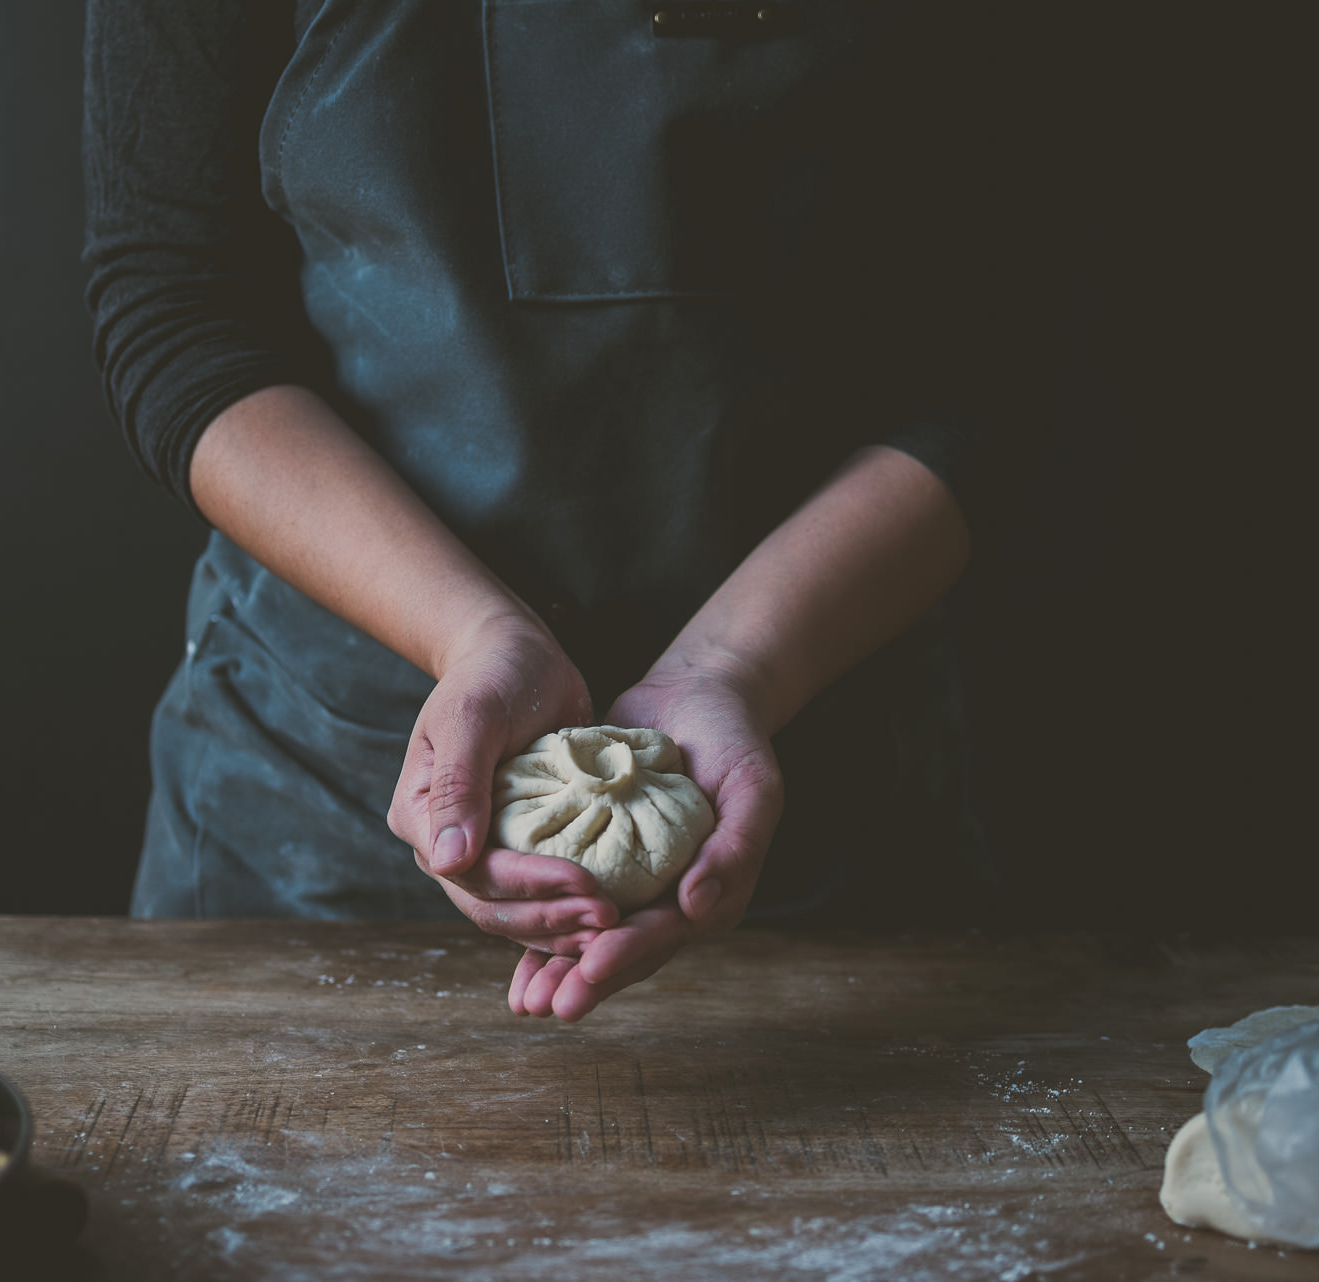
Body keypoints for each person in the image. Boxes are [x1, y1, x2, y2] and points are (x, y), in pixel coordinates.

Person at [82, 0, 1004, 1021]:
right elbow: (176, 307)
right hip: (318, 804)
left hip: (823, 783)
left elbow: (990, 354)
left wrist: (736, 665)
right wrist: (470, 629)